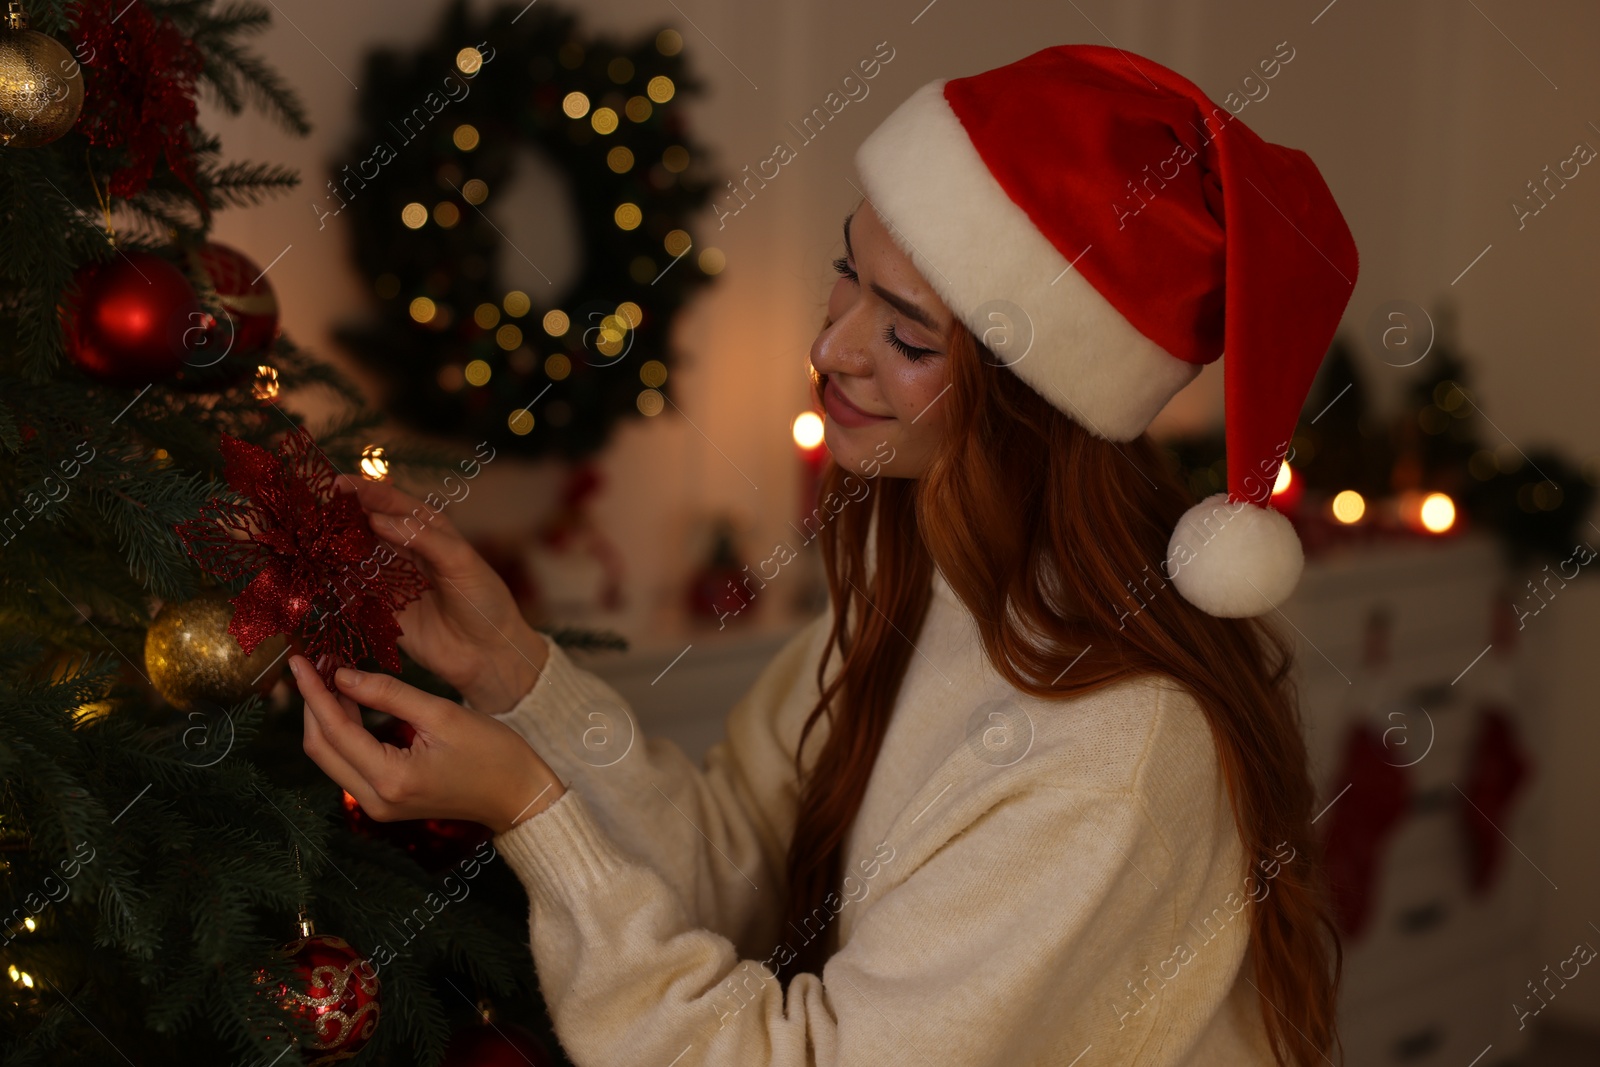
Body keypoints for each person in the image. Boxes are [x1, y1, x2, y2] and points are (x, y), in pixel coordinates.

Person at [288, 42, 1358, 1066]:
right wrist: (515, 673)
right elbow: (736, 869)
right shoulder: (925, 592)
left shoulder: (1110, 753)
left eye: (903, 336)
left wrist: (530, 809)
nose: (829, 348)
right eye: (847, 276)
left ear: (1038, 403)